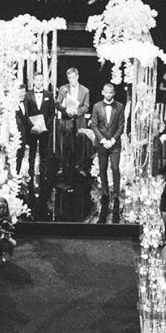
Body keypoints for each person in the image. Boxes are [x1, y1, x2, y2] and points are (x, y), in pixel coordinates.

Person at [91, 83, 124, 221]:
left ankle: (116, 194)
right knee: (103, 168)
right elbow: (94, 125)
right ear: (102, 92)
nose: (109, 94)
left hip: (115, 144)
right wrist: (103, 140)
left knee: (115, 169)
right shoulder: (97, 106)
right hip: (102, 143)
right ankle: (105, 193)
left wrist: (113, 140)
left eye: (111, 92)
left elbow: (121, 126)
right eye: (107, 92)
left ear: (114, 93)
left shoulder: (120, 107)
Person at [55, 66, 90, 180]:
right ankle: (64, 167)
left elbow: (86, 106)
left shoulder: (85, 90)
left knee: (79, 144)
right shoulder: (63, 89)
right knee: (65, 145)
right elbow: (58, 103)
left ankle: (78, 167)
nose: (71, 80)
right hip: (66, 120)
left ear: (77, 76)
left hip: (79, 120)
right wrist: (65, 110)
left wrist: (77, 111)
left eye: (73, 77)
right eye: (69, 78)